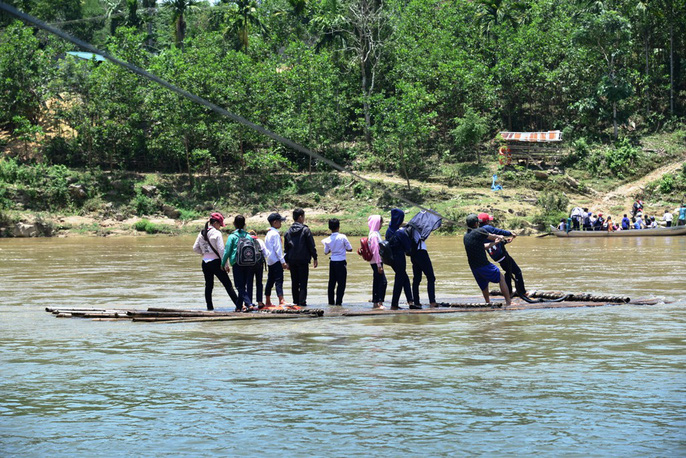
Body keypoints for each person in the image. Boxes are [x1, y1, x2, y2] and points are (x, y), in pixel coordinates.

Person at [192, 212, 239, 311]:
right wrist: (225, 264)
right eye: (220, 225)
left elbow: (195, 248)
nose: (220, 227)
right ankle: (239, 305)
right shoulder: (217, 233)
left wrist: (205, 253)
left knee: (209, 286)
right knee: (228, 285)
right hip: (216, 262)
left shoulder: (201, 233)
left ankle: (209, 308)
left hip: (205, 263)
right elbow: (222, 250)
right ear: (216, 223)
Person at [464, 214, 511, 306]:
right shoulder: (479, 231)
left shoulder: (466, 236)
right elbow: (493, 236)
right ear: (477, 223)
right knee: (501, 278)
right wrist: (500, 237)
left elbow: (482, 247)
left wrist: (494, 243)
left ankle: (487, 302)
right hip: (483, 264)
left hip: (474, 267)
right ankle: (508, 302)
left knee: (484, 285)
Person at [479, 213, 526, 298]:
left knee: (508, 272)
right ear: (486, 221)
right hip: (502, 255)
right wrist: (511, 233)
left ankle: (509, 291)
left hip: (496, 256)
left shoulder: (479, 231)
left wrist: (505, 241)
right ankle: (522, 292)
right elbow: (500, 232)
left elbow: (494, 242)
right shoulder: (487, 228)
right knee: (517, 271)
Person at [284, 208, 318, 307]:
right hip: (303, 260)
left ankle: (295, 302)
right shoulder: (305, 230)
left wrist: (287, 262)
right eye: (303, 217)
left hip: (292, 260)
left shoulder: (288, 232)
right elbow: (311, 245)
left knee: (294, 282)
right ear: (300, 217)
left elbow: (286, 248)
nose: (304, 219)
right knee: (303, 282)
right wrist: (315, 257)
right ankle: (302, 302)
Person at [408, 211, 442, 309]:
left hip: (413, 254)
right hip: (421, 252)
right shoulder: (420, 226)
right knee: (431, 277)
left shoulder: (412, 225)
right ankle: (432, 302)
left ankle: (416, 302)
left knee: (416, 279)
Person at [222, 215, 255, 312]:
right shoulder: (249, 236)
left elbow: (227, 251)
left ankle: (248, 303)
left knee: (238, 286)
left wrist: (223, 263)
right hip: (248, 263)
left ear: (234, 224)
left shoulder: (232, 236)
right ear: (245, 224)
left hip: (237, 263)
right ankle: (238, 307)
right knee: (243, 286)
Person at [385, 208, 416, 310]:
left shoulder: (389, 230)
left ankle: (410, 302)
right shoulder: (400, 233)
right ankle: (394, 304)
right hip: (400, 258)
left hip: (391, 259)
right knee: (399, 280)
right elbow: (408, 247)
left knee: (404, 278)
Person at [322, 218, 352, 306]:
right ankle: (339, 302)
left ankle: (331, 302)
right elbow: (350, 248)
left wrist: (332, 248)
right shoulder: (342, 237)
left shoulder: (328, 239)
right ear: (338, 227)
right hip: (341, 262)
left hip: (332, 262)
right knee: (341, 283)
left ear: (329, 228)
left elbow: (326, 252)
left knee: (332, 282)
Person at [264, 213, 289, 308]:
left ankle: (267, 301)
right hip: (276, 260)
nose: (281, 223)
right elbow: (278, 249)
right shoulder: (275, 234)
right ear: (275, 222)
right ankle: (281, 300)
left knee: (270, 281)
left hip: (270, 260)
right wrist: (283, 262)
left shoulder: (268, 233)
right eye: (280, 221)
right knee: (279, 280)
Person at [367, 215, 387, 309]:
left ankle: (376, 302)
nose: (381, 225)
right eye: (380, 223)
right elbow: (375, 250)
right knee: (383, 281)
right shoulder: (374, 235)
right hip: (376, 261)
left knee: (377, 280)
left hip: (374, 261)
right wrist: (379, 265)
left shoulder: (373, 233)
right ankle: (379, 302)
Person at [248, 230, 266, 308]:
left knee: (249, 283)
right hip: (259, 264)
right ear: (256, 234)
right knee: (259, 283)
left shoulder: (246, 241)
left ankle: (249, 303)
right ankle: (260, 302)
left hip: (248, 264)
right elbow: (266, 253)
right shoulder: (260, 241)